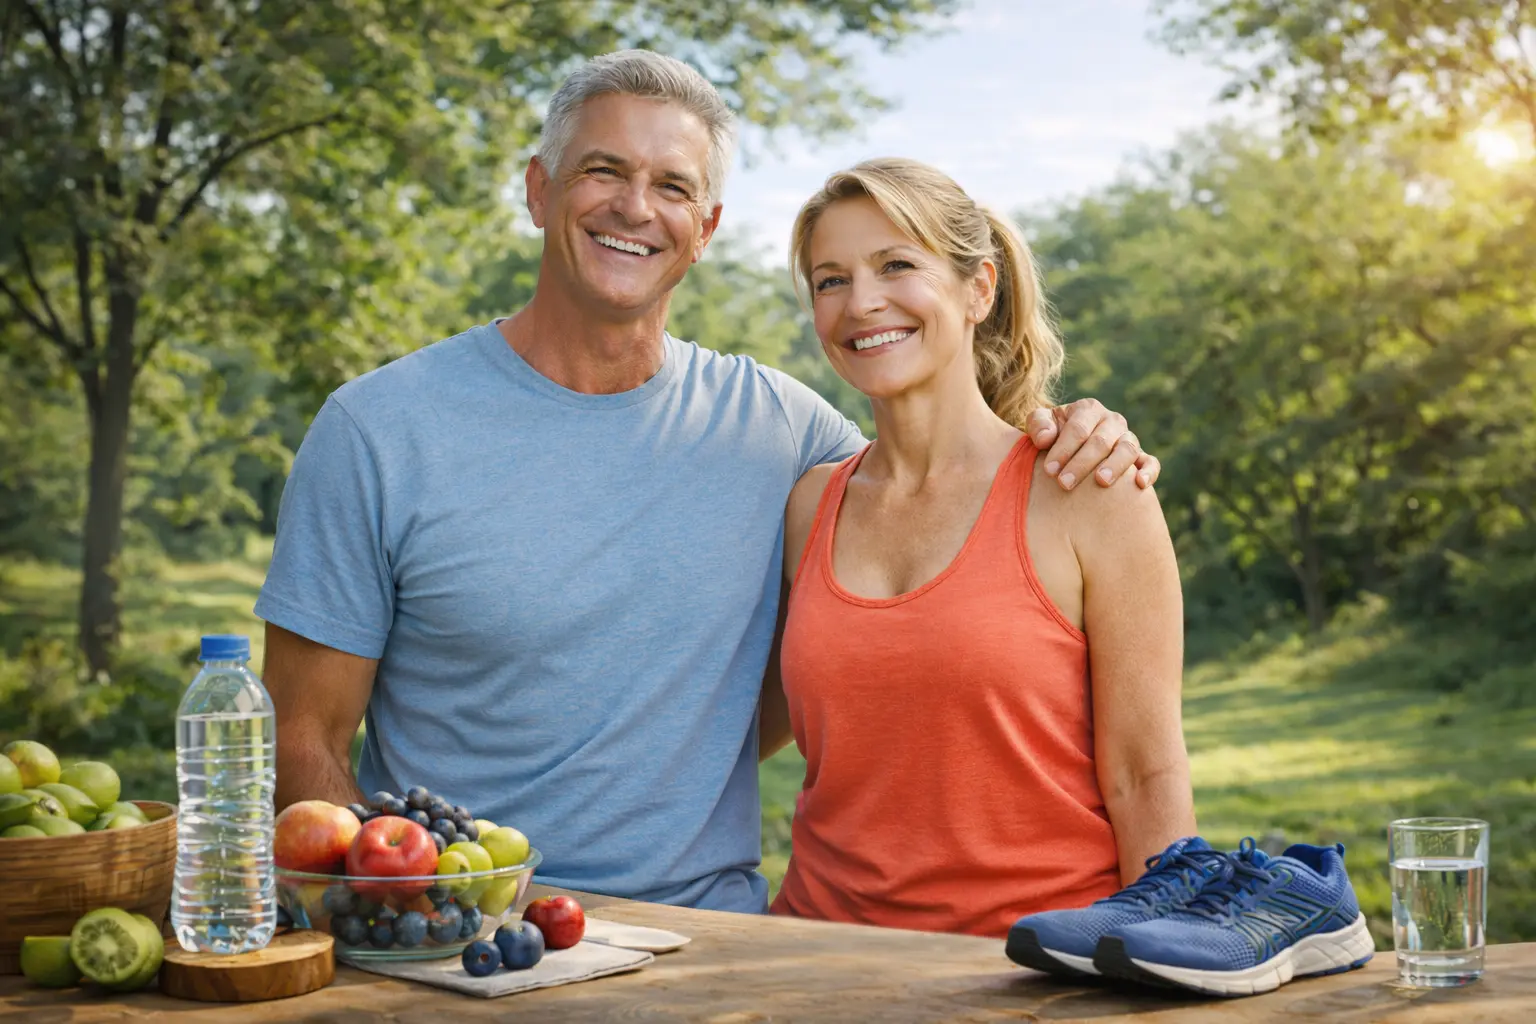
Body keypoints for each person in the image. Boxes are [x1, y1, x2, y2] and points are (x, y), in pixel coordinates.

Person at [255, 49, 1160, 915]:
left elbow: (946, 483)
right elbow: (302, 740)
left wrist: (1079, 431)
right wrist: (400, 915)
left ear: (706, 230)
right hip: (473, 940)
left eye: (673, 186)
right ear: (539, 190)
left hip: (713, 946)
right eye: (603, 171)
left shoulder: (782, 433)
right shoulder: (378, 431)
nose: (635, 207)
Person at [762, 158, 1194, 937]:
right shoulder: (809, 505)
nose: (862, 302)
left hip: (1038, 963)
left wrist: (1160, 963)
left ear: (979, 290)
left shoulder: (1087, 487)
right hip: (819, 954)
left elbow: (1145, 776)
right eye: (831, 280)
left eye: (897, 265)